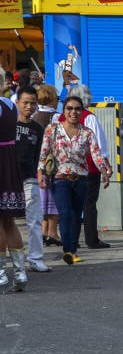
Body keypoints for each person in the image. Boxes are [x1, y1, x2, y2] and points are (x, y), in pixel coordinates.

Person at [38, 96, 109, 265]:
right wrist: (41, 172)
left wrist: (104, 170)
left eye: (77, 109)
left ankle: (72, 249)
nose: (73, 112)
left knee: (77, 215)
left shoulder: (87, 133)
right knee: (65, 214)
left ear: (82, 111)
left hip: (81, 179)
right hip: (59, 179)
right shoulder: (52, 129)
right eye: (69, 108)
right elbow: (44, 152)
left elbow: (96, 154)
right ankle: (67, 250)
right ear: (64, 110)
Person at [63, 85, 112, 250]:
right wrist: (106, 165)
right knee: (89, 205)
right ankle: (92, 240)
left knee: (71, 205)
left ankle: (72, 240)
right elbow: (99, 144)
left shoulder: (60, 119)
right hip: (89, 168)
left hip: (66, 169)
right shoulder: (90, 118)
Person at [15, 86, 50, 273]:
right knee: (6, 222)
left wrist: (40, 175)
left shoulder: (37, 128)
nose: (29, 106)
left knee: (35, 220)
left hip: (29, 179)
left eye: (33, 103)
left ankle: (35, 258)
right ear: (17, 103)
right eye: (25, 102)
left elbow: (39, 156)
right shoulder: (7, 125)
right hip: (8, 180)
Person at [0, 70, 28, 292]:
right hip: (9, 163)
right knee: (9, 221)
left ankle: (0, 275)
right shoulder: (11, 105)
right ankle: (20, 273)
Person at [32, 84, 62, 248]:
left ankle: (44, 231)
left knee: (42, 199)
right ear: (51, 99)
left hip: (36, 163)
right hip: (53, 163)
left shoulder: (34, 116)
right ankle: (53, 232)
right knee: (54, 199)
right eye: (57, 98)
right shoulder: (57, 118)